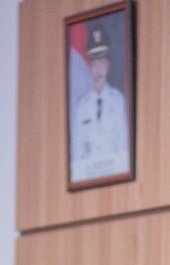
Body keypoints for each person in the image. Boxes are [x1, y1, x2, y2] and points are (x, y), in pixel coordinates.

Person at [69, 21, 130, 182]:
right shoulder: (80, 107)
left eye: (101, 63)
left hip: (115, 178)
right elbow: (76, 152)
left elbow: (123, 146)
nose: (98, 71)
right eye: (94, 64)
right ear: (89, 68)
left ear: (107, 66)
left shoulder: (119, 102)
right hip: (87, 180)